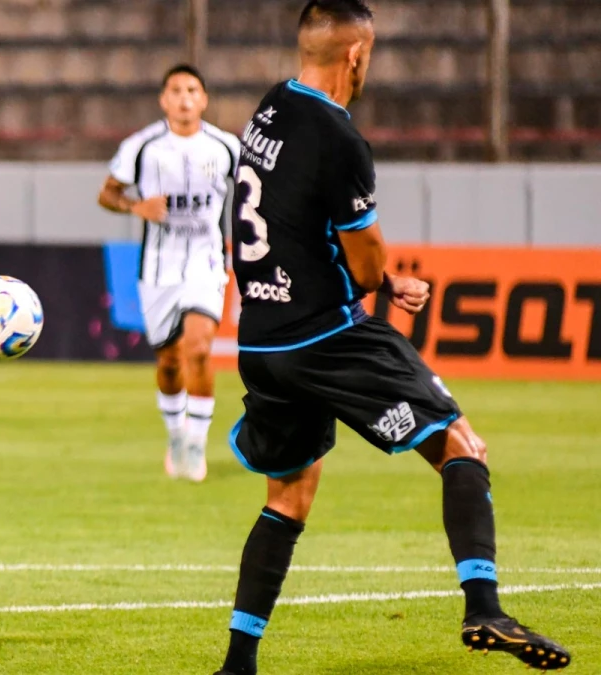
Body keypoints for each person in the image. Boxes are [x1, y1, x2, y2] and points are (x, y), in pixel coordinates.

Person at [214, 1, 571, 673]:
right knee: (461, 443)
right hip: (326, 334)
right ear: (356, 55)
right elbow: (367, 264)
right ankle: (484, 606)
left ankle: (238, 663)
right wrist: (387, 280)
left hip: (261, 341)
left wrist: (378, 280)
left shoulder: (269, 108)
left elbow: (287, 220)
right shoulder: (341, 138)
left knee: (287, 496)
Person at [98, 63, 241, 482]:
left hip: (207, 261)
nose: (184, 98)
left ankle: (196, 447)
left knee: (198, 348)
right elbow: (107, 193)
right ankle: (176, 436)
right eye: (175, 90)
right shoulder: (142, 147)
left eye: (192, 90)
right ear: (163, 99)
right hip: (158, 269)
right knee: (169, 363)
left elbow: (255, 191)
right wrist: (134, 206)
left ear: (204, 99)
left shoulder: (226, 146)